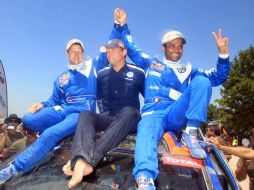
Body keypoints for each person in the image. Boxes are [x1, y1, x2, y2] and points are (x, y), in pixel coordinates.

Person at [113, 8, 230, 189]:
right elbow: (129, 47)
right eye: (172, 45)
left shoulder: (190, 70)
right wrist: (122, 25)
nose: (176, 49)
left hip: (177, 113)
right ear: (164, 47)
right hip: (154, 114)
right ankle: (145, 179)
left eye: (180, 46)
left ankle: (190, 133)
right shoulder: (151, 62)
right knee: (146, 128)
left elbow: (217, 78)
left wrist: (223, 55)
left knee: (203, 81)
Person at [0, 39, 109, 184]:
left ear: (83, 53)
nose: (76, 55)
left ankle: (13, 169)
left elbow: (111, 49)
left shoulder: (92, 67)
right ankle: (55, 138)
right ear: (67, 54)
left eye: (79, 52)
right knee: (27, 119)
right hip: (62, 110)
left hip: (80, 115)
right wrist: (41, 104)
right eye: (73, 52)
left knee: (49, 134)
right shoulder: (61, 77)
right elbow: (53, 100)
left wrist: (119, 25)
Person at [62, 39, 145, 189]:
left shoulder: (139, 72)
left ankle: (87, 160)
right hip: (109, 118)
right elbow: (97, 97)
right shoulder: (102, 74)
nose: (109, 53)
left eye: (113, 50)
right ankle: (81, 159)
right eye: (107, 51)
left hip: (129, 119)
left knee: (129, 111)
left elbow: (150, 98)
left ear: (124, 52)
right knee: (86, 115)